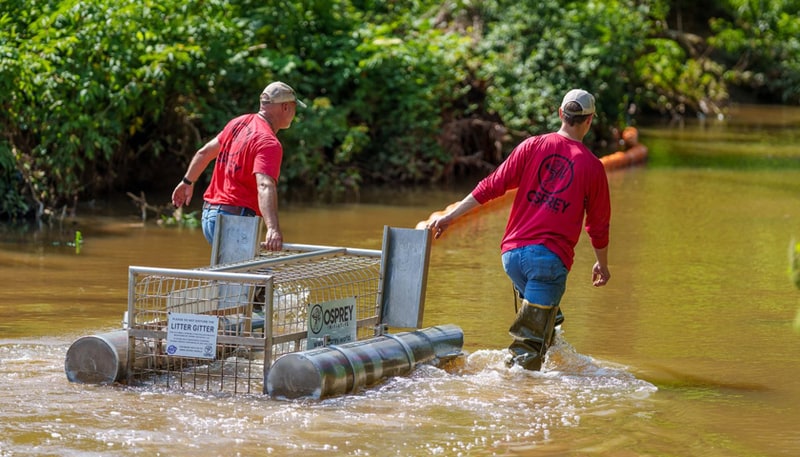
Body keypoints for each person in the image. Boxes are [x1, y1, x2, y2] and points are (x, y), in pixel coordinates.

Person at [427, 88, 611, 371]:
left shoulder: (532, 145)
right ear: (589, 121)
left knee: (547, 321)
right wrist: (602, 263)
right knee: (530, 346)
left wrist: (451, 216)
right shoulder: (592, 166)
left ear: (561, 114)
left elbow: (491, 185)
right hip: (548, 261)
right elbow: (598, 225)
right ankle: (517, 392)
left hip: (512, 257)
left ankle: (547, 349)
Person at [171, 81, 306, 251]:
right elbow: (264, 185)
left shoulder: (238, 123)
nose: (295, 113)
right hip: (234, 220)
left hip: (209, 216)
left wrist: (187, 182)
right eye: (294, 107)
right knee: (256, 276)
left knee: (239, 275)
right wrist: (272, 229)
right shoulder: (269, 142)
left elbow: (204, 153)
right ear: (285, 107)